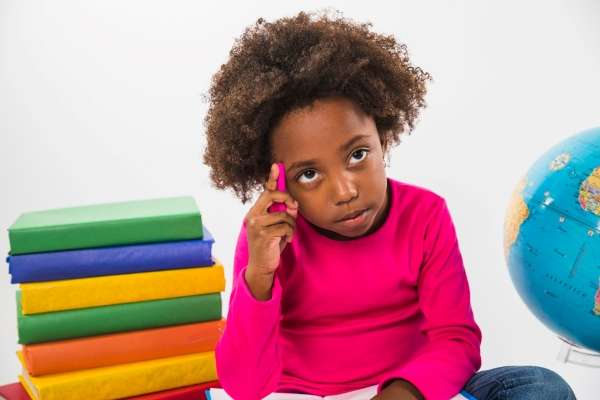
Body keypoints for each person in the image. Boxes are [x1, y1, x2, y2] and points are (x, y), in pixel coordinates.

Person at [202, 10, 576, 400]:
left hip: (408, 390)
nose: (345, 191)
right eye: (309, 175)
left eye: (357, 154)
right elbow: (244, 387)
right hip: (300, 395)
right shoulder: (268, 239)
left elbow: (456, 339)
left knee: (539, 387)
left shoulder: (425, 216)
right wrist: (260, 275)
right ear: (275, 179)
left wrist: (402, 393)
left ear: (383, 137)